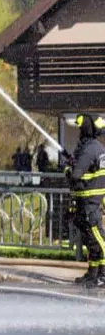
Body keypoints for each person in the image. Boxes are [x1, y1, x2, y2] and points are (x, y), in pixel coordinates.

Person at [65, 114, 105, 287]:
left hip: (90, 202)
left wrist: (68, 168)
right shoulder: (94, 147)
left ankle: (102, 274)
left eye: (81, 128)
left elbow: (76, 175)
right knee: (91, 240)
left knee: (98, 239)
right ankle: (93, 273)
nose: (79, 131)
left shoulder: (90, 149)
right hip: (86, 201)